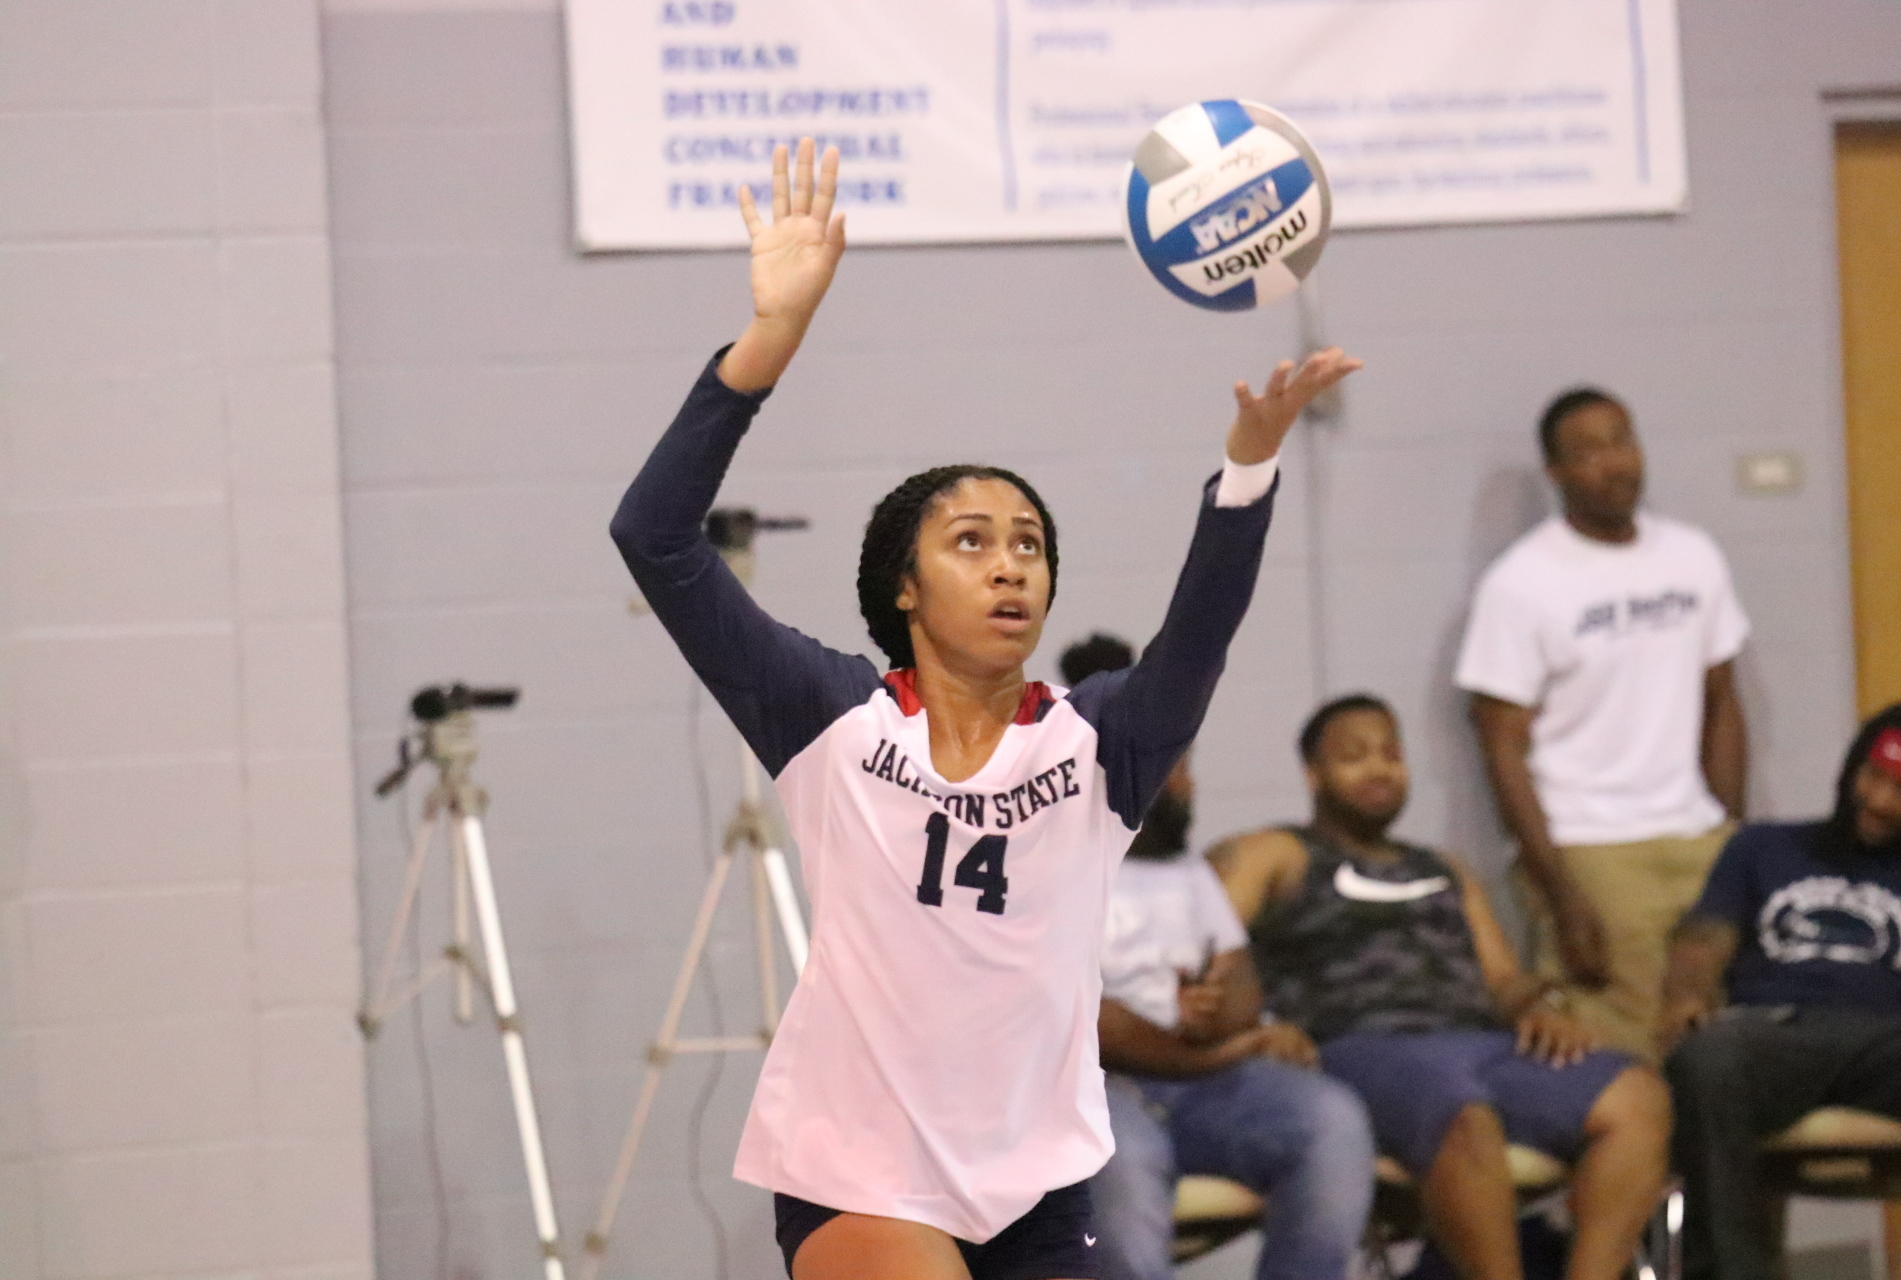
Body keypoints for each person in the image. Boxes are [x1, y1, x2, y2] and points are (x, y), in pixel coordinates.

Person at [609, 139, 1361, 1280]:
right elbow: (654, 537)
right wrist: (769, 342)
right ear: (904, 588)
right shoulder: (833, 717)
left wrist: (1248, 468)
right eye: (972, 542)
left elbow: (1198, 635)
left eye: (1030, 544)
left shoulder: (1100, 742)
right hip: (857, 1174)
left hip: (1036, 1189)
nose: (1012, 564)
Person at [1209, 694, 1671, 1280]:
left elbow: (1502, 981)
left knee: (1637, 1094)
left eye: (1391, 753)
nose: (1378, 767)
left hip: (1479, 1044)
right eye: (1354, 755)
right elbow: (1203, 941)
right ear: (1313, 775)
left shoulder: (1444, 868)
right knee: (1464, 1114)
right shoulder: (1277, 851)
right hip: (1358, 1048)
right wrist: (1260, 1027)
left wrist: (1541, 1004)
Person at [1058, 635, 1374, 1280]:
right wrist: (1224, 1048)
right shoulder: (1049, 861)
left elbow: (1241, 984)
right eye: (1175, 765)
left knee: (1331, 1122)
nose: (1188, 782)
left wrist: (1217, 1015)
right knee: (1120, 1165)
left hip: (1208, 1088)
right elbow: (1083, 1024)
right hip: (1095, 1092)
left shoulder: (1186, 872)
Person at [1457, 387, 1751, 1060]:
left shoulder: (1693, 556)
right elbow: (1500, 743)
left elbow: (1722, 701)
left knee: (1719, 1034)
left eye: (1622, 439)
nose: (1614, 463)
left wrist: (1731, 832)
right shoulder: (1524, 582)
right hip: (1592, 846)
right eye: (1589, 451)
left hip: (1696, 834)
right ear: (1556, 472)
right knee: (1629, 1049)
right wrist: (1559, 889)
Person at [1660, 698, 1901, 1280]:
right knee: (1708, 1060)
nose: (1879, 801)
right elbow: (1704, 939)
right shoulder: (1764, 847)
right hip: (1775, 1034)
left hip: (1893, 1044)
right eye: (1874, 776)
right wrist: (1685, 996)